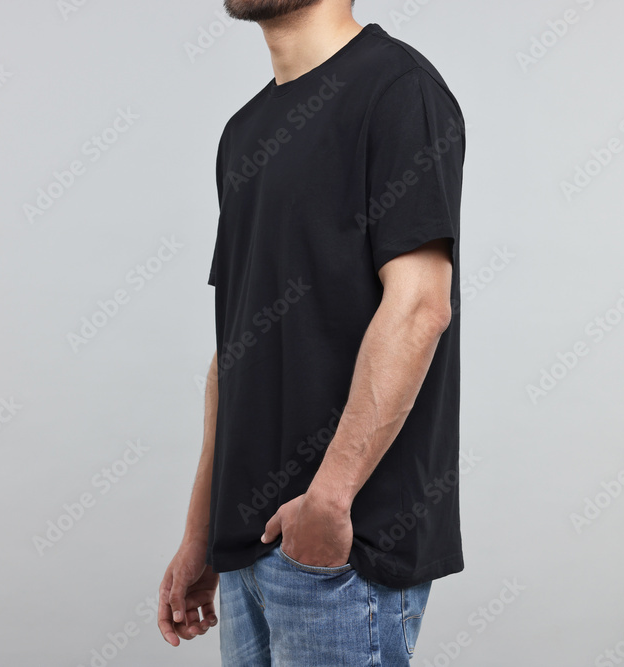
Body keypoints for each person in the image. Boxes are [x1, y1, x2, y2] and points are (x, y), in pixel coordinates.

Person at [159, 0, 466, 663]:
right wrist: (202, 533)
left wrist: (329, 500)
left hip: (345, 548)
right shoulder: (243, 133)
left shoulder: (398, 90)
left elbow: (420, 305)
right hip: (247, 551)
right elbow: (234, 348)